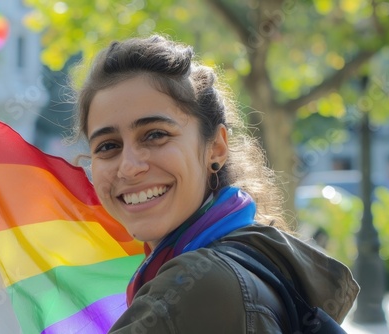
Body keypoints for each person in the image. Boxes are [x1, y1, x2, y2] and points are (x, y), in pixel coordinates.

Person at [74, 34, 359, 333]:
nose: (129, 167)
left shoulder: (197, 285)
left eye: (155, 134)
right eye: (107, 146)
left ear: (216, 148)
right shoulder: (256, 257)